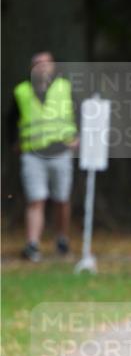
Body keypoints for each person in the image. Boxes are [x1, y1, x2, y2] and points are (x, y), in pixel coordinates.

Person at [8, 52, 78, 262]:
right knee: (35, 199)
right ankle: (33, 244)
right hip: (33, 153)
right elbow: (11, 119)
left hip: (60, 152)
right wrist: (13, 142)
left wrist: (79, 136)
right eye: (38, 64)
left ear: (54, 67)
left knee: (62, 199)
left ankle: (62, 239)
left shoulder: (65, 88)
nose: (42, 67)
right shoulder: (21, 91)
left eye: (47, 63)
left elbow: (81, 112)